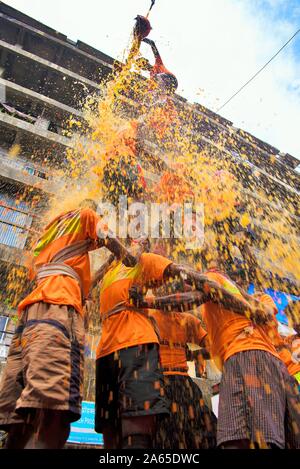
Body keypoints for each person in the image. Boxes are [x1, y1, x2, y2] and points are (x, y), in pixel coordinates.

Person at [0, 199, 136, 449]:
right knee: (54, 412)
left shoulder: (50, 233)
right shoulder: (86, 214)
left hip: (30, 318)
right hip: (58, 311)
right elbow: (114, 243)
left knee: (21, 420)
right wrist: (131, 257)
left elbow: (78, 282)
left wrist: (106, 266)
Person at [148, 308, 217, 449]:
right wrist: (192, 355)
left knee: (163, 439)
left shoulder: (148, 316)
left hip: (158, 385)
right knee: (206, 437)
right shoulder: (187, 320)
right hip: (184, 386)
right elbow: (214, 348)